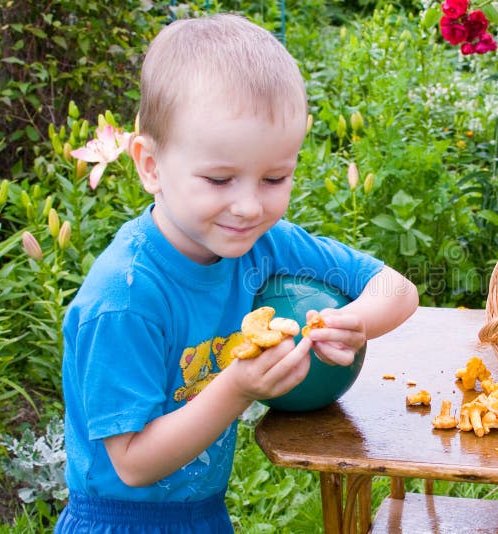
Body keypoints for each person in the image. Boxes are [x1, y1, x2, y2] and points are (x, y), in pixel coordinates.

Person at [55, 13, 418, 533]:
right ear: (150, 166)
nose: (248, 206)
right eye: (220, 178)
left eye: (275, 177)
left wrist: (356, 321)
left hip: (204, 513)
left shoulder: (263, 246)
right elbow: (132, 463)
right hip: (119, 520)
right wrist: (237, 388)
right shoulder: (125, 297)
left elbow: (396, 288)